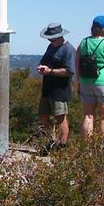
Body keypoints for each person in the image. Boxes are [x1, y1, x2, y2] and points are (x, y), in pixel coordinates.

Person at [35, 22, 76, 151]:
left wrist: (50, 71)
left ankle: (61, 146)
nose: (49, 40)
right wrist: (42, 67)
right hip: (47, 88)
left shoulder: (68, 50)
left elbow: (69, 71)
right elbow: (44, 61)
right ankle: (51, 142)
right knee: (43, 115)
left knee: (60, 117)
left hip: (60, 90)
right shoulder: (50, 47)